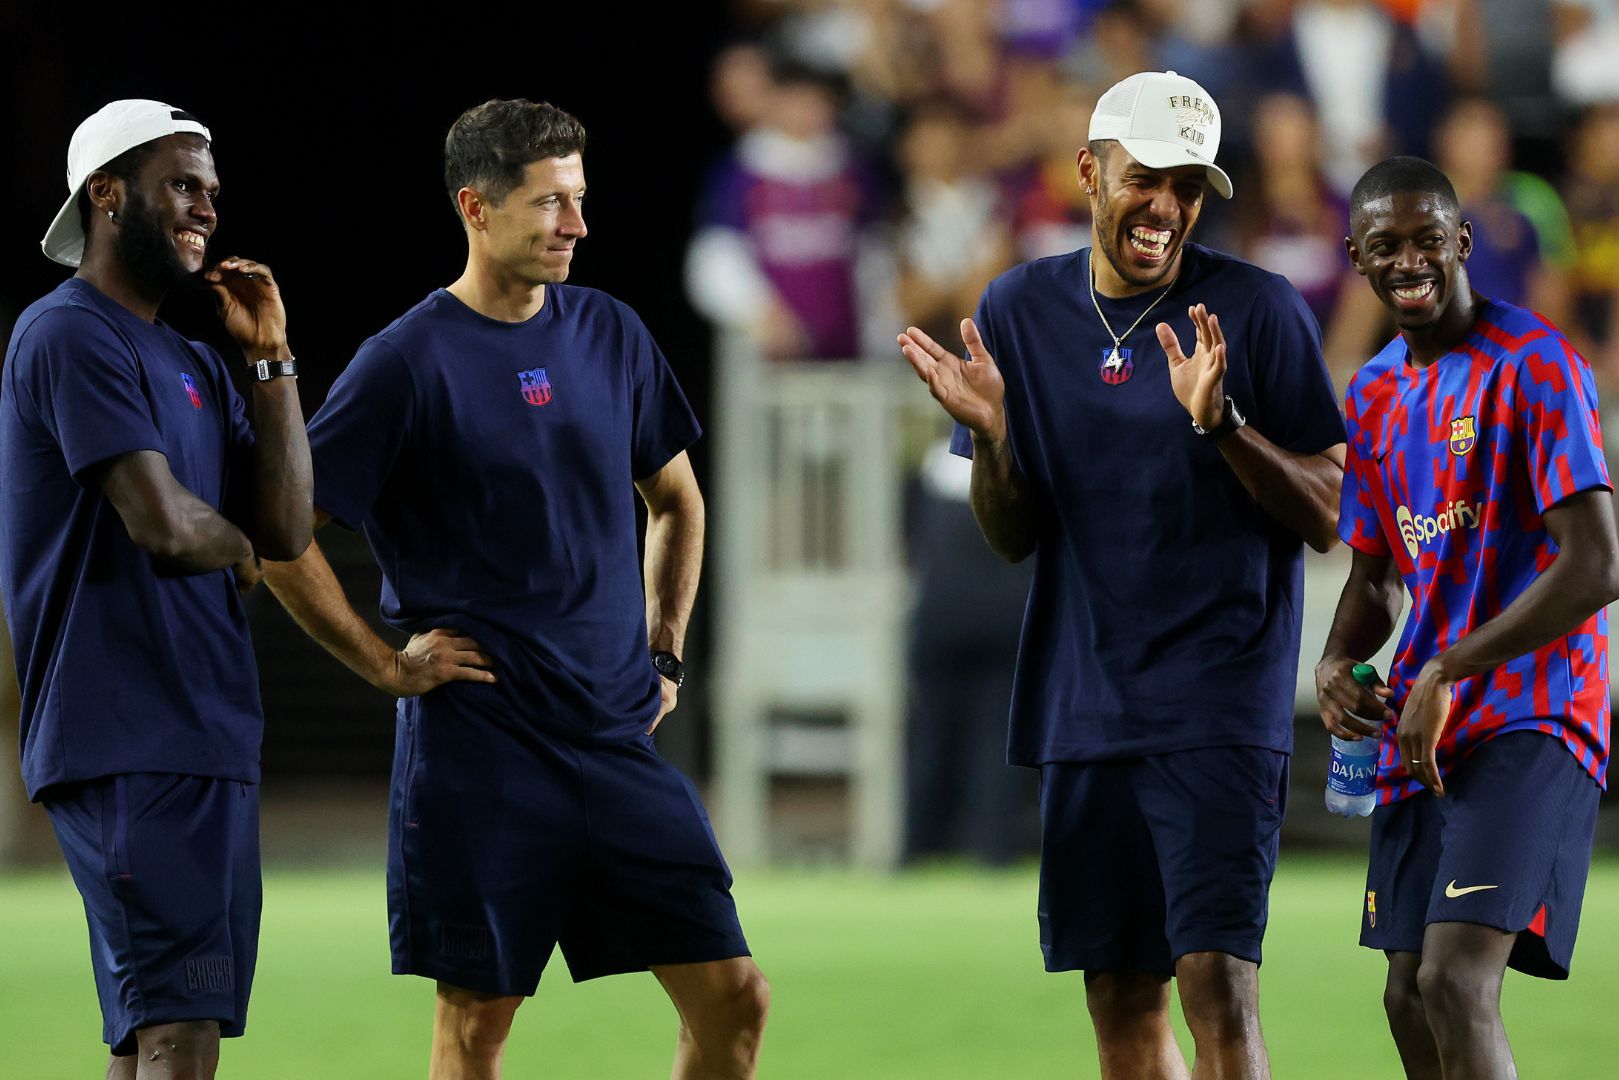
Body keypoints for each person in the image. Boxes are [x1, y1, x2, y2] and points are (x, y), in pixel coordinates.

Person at [260, 99, 768, 1080]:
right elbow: (284, 540)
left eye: (578, 199)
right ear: (475, 209)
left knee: (733, 996)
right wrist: (381, 663)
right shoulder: (404, 363)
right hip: (480, 755)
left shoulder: (612, 334)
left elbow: (676, 503)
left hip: (615, 742)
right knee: (476, 1032)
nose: (575, 224)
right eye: (547, 203)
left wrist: (663, 652)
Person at [897, 70, 1346, 1079]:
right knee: (1120, 1016)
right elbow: (1011, 535)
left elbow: (1329, 509)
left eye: (1189, 188)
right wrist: (996, 439)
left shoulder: (1256, 310)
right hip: (1083, 705)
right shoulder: (1015, 308)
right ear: (1088, 171)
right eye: (1147, 179)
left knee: (1217, 997)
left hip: (1216, 703)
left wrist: (1223, 425)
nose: (1167, 209)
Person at [0, 99, 312, 1077]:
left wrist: (269, 359)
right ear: (106, 195)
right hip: (122, 732)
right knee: (177, 1027)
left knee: (162, 1028)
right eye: (181, 185)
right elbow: (168, 528)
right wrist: (238, 549)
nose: (205, 209)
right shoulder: (66, 335)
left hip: (207, 732)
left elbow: (288, 527)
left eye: (211, 193)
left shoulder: (192, 362)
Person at [1317, 155, 1617, 1080]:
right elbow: (1374, 579)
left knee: (1453, 981)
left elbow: (1597, 562)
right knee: (1405, 995)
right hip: (1424, 729)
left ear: (1461, 242)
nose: (1407, 261)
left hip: (1535, 711)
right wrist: (1334, 663)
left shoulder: (1535, 363)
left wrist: (1447, 668)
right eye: (1384, 247)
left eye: (1423, 240)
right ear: (1356, 261)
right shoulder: (1371, 394)